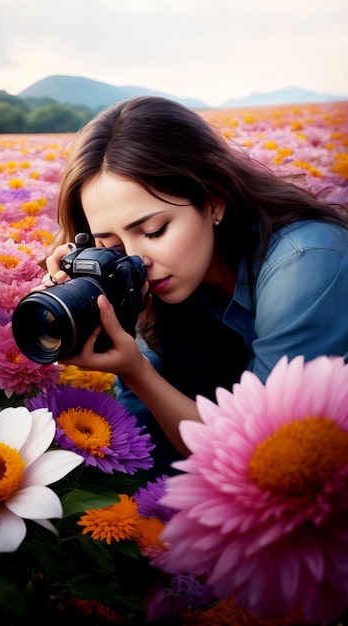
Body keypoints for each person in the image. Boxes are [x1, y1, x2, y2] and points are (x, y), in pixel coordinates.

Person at [42, 95, 348, 466]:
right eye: (112, 244)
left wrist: (136, 371)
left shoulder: (304, 262)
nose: (137, 259)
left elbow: (266, 456)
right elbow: (145, 448)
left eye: (154, 231)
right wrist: (92, 298)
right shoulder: (157, 280)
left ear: (214, 200)